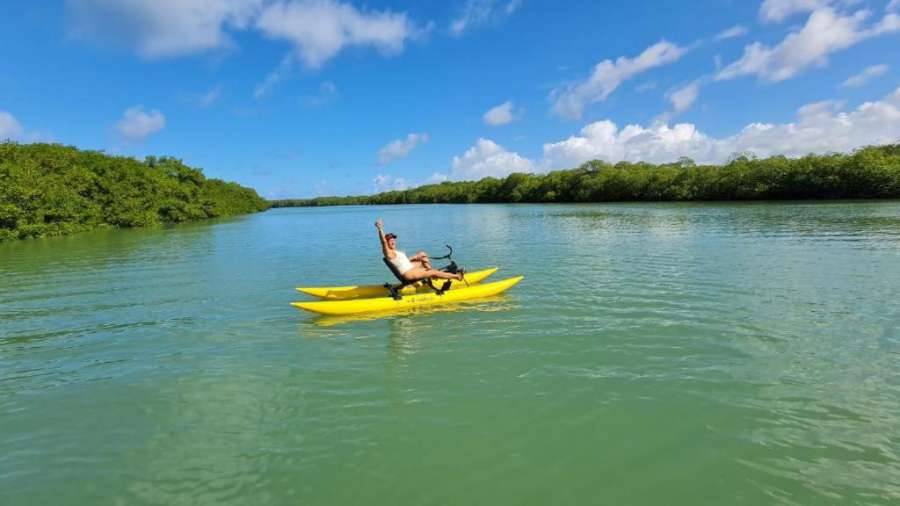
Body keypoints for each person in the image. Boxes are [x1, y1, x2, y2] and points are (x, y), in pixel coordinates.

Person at [376, 218, 463, 282]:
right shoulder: (389, 253)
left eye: (393, 240)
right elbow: (383, 242)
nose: (393, 242)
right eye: (390, 241)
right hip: (408, 273)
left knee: (423, 255)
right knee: (432, 271)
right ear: (386, 243)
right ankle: (456, 277)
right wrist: (380, 229)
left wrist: (416, 256)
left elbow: (401, 262)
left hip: (409, 267)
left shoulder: (395, 251)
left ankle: (433, 276)